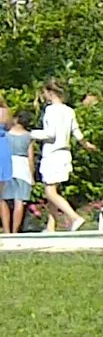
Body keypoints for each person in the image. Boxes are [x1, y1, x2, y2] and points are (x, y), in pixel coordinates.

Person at [30, 83, 83, 231]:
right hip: (65, 154)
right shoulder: (69, 111)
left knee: (49, 191)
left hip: (53, 153)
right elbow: (76, 131)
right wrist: (86, 144)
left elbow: (50, 133)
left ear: (50, 92)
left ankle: (74, 217)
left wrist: (31, 134)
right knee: (53, 189)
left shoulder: (51, 110)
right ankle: (51, 225)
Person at [0, 103, 33, 235]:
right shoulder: (28, 136)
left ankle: (7, 231)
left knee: (3, 199)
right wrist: (32, 174)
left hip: (8, 164)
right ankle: (15, 231)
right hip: (23, 167)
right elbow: (30, 158)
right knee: (19, 201)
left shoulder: (6, 135)